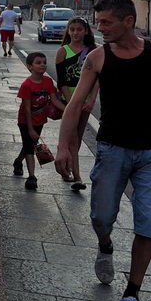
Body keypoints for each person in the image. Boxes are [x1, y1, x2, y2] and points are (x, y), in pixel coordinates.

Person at [55, 0, 151, 301]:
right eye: (98, 22)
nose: (99, 28)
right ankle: (105, 245)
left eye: (106, 22)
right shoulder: (98, 58)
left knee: (147, 223)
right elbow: (75, 104)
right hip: (112, 149)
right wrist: (63, 146)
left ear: (128, 21)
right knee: (102, 216)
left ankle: (132, 294)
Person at [55, 17, 97, 192]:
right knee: (71, 137)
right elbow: (62, 80)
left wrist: (91, 100)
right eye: (72, 30)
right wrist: (71, 102)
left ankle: (67, 169)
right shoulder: (63, 51)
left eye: (79, 29)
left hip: (85, 100)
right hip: (69, 98)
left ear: (86, 31)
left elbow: (97, 80)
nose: (75, 33)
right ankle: (77, 177)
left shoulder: (93, 51)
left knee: (78, 137)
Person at [13, 52, 65, 191]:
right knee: (29, 146)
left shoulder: (47, 81)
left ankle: (18, 162)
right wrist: (30, 129)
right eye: (38, 62)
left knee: (30, 144)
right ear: (30, 66)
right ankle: (31, 177)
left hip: (40, 120)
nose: (42, 64)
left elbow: (54, 100)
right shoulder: (27, 85)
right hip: (25, 121)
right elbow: (27, 110)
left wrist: (68, 110)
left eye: (44, 62)